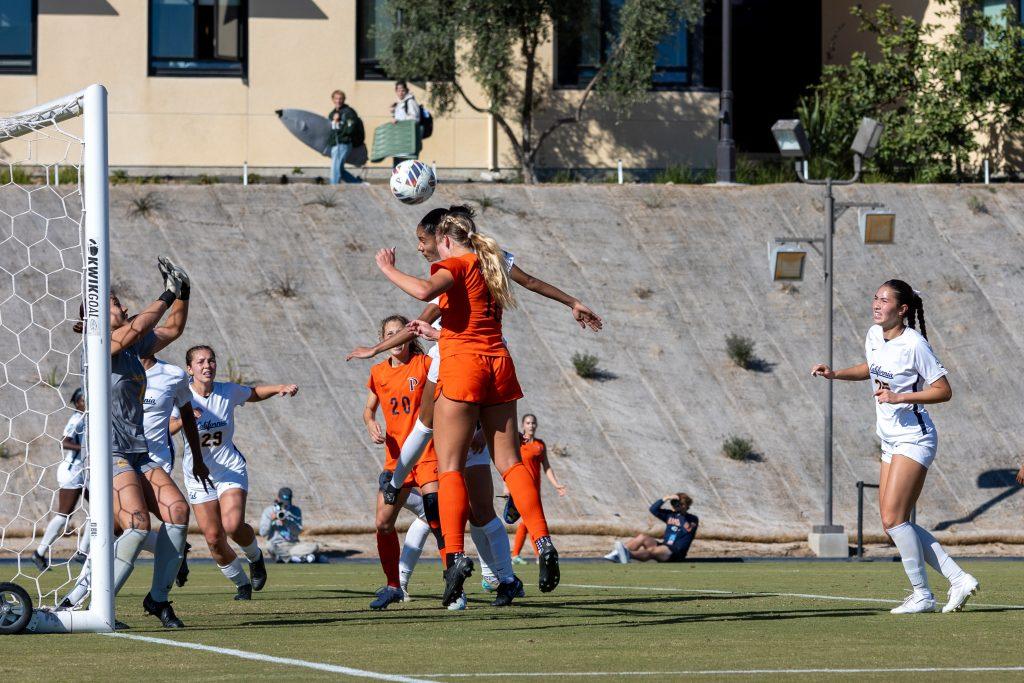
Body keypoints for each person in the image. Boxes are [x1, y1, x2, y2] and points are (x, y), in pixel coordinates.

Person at [348, 205, 601, 607]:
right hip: (499, 364)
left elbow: (422, 293)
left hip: (461, 364)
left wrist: (387, 268)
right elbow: (531, 282)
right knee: (511, 463)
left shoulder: (456, 265)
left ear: (445, 238)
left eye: (428, 242)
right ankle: (542, 540)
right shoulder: (494, 260)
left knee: (449, 466)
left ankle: (453, 557)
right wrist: (573, 302)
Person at [61, 257, 212, 630]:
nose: (124, 308)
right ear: (96, 314)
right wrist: (166, 293)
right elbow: (142, 323)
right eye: (116, 304)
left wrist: (184, 293)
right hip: (108, 453)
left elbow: (173, 327)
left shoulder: (129, 348)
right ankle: (99, 607)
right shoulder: (99, 344)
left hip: (137, 450)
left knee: (178, 511)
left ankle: (157, 600)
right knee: (138, 523)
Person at [811, 279, 978, 614]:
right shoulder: (874, 335)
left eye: (884, 300)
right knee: (892, 522)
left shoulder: (915, 344)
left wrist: (902, 396)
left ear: (902, 310)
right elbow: (872, 370)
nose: (876, 304)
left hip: (915, 438)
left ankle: (922, 594)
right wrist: (836, 374)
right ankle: (958, 579)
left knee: (894, 517)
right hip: (889, 438)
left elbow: (943, 390)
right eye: (875, 297)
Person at [170, 344, 299, 600]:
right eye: (200, 362)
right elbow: (167, 426)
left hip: (229, 469)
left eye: (211, 360)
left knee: (232, 525)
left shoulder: (226, 391)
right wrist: (185, 419)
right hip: (198, 475)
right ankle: (242, 584)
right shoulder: (181, 397)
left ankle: (255, 557)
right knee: (214, 539)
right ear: (189, 368)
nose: (207, 366)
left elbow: (253, 393)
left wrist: (278, 388)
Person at [362, 314, 444, 610]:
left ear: (409, 337)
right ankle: (393, 586)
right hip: (395, 461)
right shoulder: (378, 372)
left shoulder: (423, 365)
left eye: (400, 332)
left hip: (426, 455)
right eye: (389, 334)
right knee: (383, 523)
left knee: (438, 519)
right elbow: (369, 410)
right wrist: (370, 422)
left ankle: (454, 584)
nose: (395, 338)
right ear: (384, 340)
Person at [32, 387, 89, 570]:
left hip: (85, 472)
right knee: (64, 515)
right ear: (79, 402)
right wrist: (85, 450)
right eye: (85, 400)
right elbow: (63, 441)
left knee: (100, 510)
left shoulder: (89, 419)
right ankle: (39, 553)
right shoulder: (76, 419)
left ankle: (83, 552)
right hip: (72, 471)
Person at [509, 414, 566, 565]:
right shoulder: (518, 443)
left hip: (535, 490)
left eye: (533, 423)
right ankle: (537, 554)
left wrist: (556, 485)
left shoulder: (540, 445)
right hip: (520, 488)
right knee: (529, 522)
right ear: (523, 425)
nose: (531, 426)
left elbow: (546, 466)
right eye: (528, 423)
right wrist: (506, 487)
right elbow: (509, 464)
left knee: (528, 522)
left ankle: (521, 555)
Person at [605, 494, 698, 564]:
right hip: (664, 546)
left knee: (652, 551)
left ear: (686, 506)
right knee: (642, 537)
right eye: (675, 504)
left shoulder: (693, 519)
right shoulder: (670, 515)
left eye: (680, 504)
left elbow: (687, 529)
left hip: (676, 553)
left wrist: (679, 515)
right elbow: (653, 509)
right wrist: (666, 498)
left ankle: (626, 555)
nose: (676, 506)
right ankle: (616, 553)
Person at [259, 487, 320, 563]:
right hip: (277, 545)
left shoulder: (296, 510)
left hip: (293, 545)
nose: (285, 504)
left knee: (314, 546)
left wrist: (287, 521)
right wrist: (271, 519)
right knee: (269, 545)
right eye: (283, 501)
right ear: (278, 498)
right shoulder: (269, 511)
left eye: (287, 502)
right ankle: (299, 558)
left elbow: (297, 532)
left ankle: (289, 558)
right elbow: (263, 533)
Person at [327, 89, 363, 185]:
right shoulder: (332, 113)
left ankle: (333, 188)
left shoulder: (348, 112)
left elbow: (350, 129)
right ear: (333, 100)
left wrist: (338, 124)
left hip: (343, 143)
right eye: (336, 99)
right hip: (336, 144)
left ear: (344, 100)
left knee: (335, 169)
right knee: (340, 170)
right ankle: (358, 185)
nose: (338, 101)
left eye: (340, 99)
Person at [390, 80, 420, 169]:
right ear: (396, 91)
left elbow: (415, 118)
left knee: (406, 166)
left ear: (406, 90)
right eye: (398, 90)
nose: (400, 92)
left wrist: (399, 122)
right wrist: (392, 113)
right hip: (399, 141)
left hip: (407, 141)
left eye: (402, 90)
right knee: (397, 165)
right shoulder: (399, 103)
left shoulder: (410, 102)